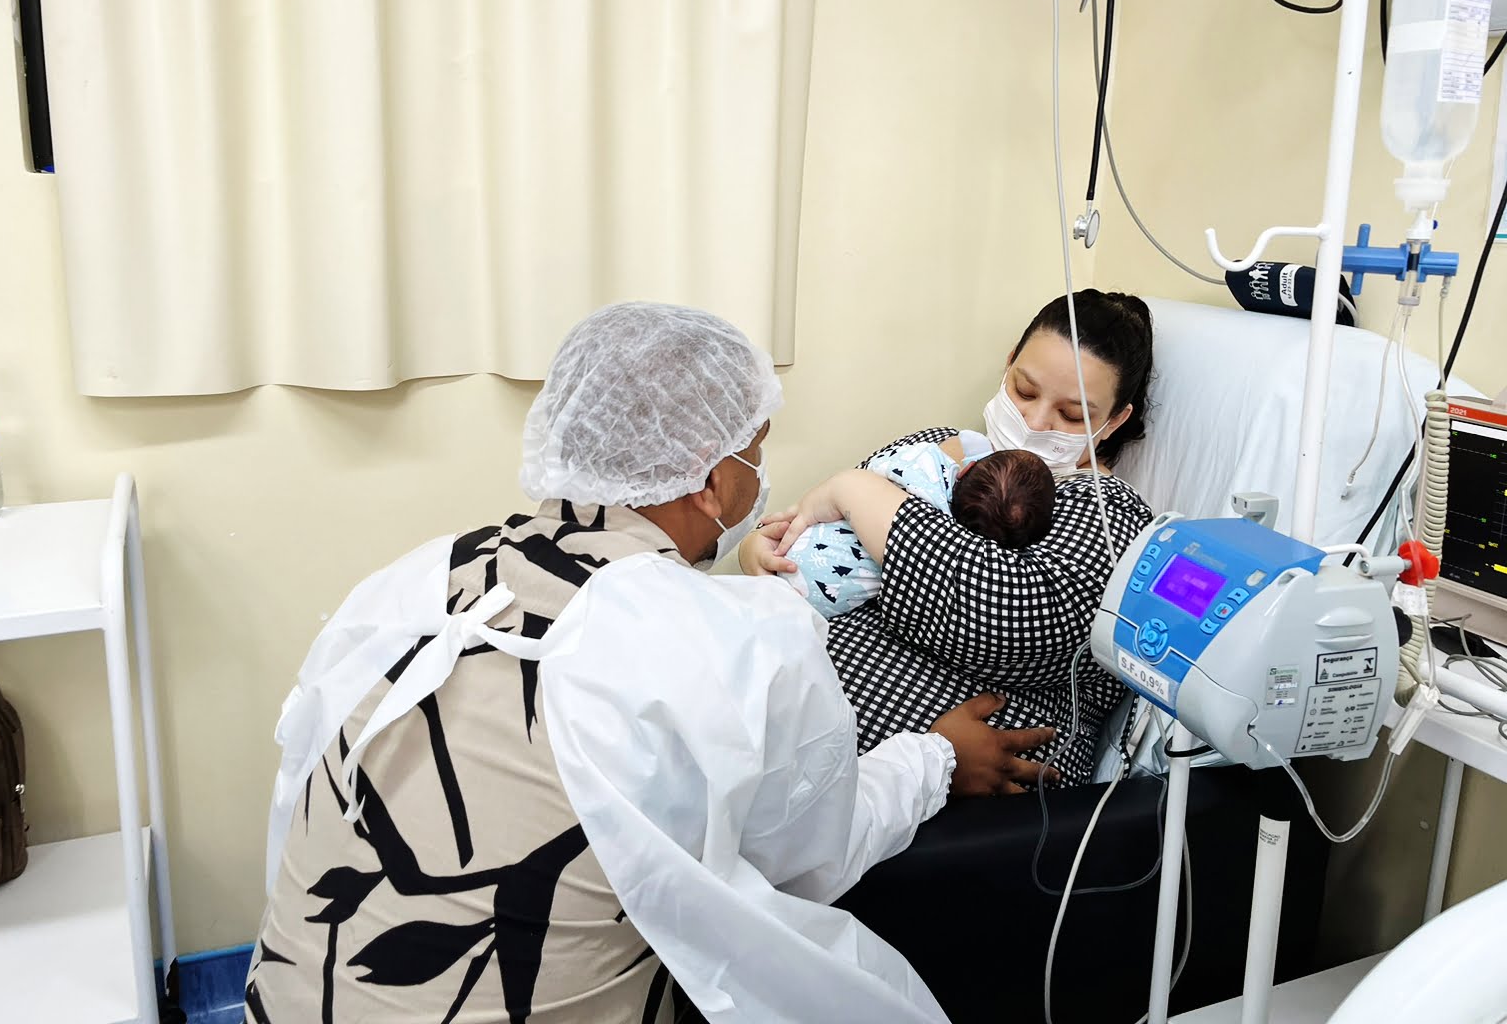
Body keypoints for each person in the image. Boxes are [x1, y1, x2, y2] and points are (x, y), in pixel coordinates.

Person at [246, 302, 1058, 1024]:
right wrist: (935, 758)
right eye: (755, 452)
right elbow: (812, 859)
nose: (759, 475)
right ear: (709, 479)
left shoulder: (414, 579)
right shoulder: (742, 640)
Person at [743, 289, 1156, 788]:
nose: (1035, 422)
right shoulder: (931, 445)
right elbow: (823, 538)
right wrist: (760, 551)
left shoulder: (1111, 514)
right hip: (791, 746)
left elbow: (999, 619)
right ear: (1008, 365)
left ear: (1114, 421)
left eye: (1072, 416)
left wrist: (855, 490)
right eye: (1025, 391)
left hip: (962, 802)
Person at [780, 435, 1055, 619]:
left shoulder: (926, 459)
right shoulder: (946, 539)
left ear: (965, 469)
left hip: (794, 546)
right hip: (811, 600)